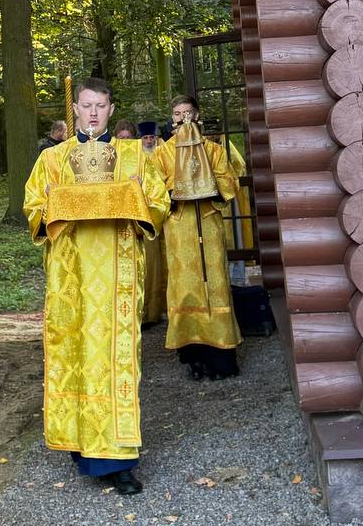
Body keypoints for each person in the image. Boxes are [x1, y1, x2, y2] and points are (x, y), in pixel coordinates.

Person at [24, 79, 169, 495]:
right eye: (86, 105)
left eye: (100, 106)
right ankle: (82, 447)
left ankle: (120, 462)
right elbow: (33, 206)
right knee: (76, 354)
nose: (93, 113)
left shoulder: (134, 155)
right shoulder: (53, 158)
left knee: (115, 361)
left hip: (117, 278)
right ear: (74, 109)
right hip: (70, 277)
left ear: (110, 109)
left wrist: (137, 202)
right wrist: (50, 204)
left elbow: (159, 202)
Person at [154, 95, 243, 381]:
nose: (183, 118)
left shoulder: (213, 150)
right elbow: (154, 190)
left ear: (197, 115)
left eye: (188, 112)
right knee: (185, 288)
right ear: (172, 118)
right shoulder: (162, 153)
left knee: (214, 285)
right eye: (177, 114)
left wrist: (207, 184)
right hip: (179, 228)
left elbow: (229, 181)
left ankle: (221, 357)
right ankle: (192, 357)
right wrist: (176, 189)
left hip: (208, 222)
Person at [138, 120, 168, 330]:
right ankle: (148, 311)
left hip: (166, 212)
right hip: (146, 215)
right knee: (150, 263)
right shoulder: (136, 158)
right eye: (145, 138)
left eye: (151, 137)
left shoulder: (163, 154)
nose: (149, 141)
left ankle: (165, 308)